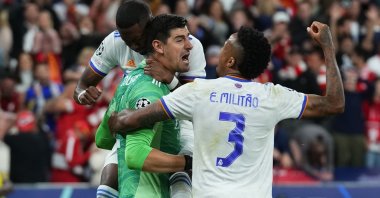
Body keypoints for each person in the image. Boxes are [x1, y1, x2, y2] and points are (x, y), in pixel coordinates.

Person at [109, 21, 345, 197]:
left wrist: (116, 114)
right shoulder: (272, 96)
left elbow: (130, 121)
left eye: (224, 48)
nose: (219, 53)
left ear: (231, 61)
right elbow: (334, 103)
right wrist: (328, 47)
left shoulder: (199, 92)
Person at [72, 1, 206, 197]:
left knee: (183, 173)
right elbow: (81, 87)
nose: (134, 45)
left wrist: (169, 79)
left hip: (178, 119)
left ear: (150, 26)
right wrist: (83, 95)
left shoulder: (184, 44)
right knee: (110, 174)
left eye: (138, 38)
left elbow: (194, 103)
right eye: (128, 40)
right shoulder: (114, 42)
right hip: (140, 110)